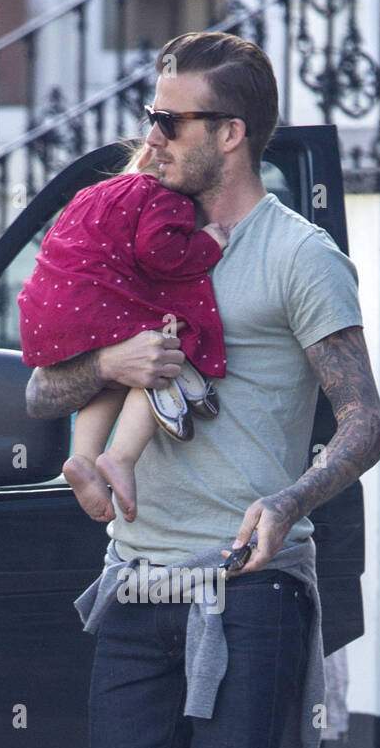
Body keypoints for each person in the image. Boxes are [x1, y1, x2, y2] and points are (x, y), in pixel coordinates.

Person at [26, 30, 380, 748]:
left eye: (169, 118)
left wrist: (290, 498)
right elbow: (41, 386)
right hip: (135, 583)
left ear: (230, 133)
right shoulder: (133, 230)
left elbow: (365, 422)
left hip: (249, 583)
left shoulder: (298, 257)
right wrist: (113, 365)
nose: (150, 134)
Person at [17, 142, 228, 524]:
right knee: (161, 352)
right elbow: (159, 251)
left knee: (112, 375)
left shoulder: (95, 193)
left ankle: (83, 458)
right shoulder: (164, 196)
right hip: (94, 303)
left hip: (48, 307)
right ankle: (120, 457)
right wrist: (206, 242)